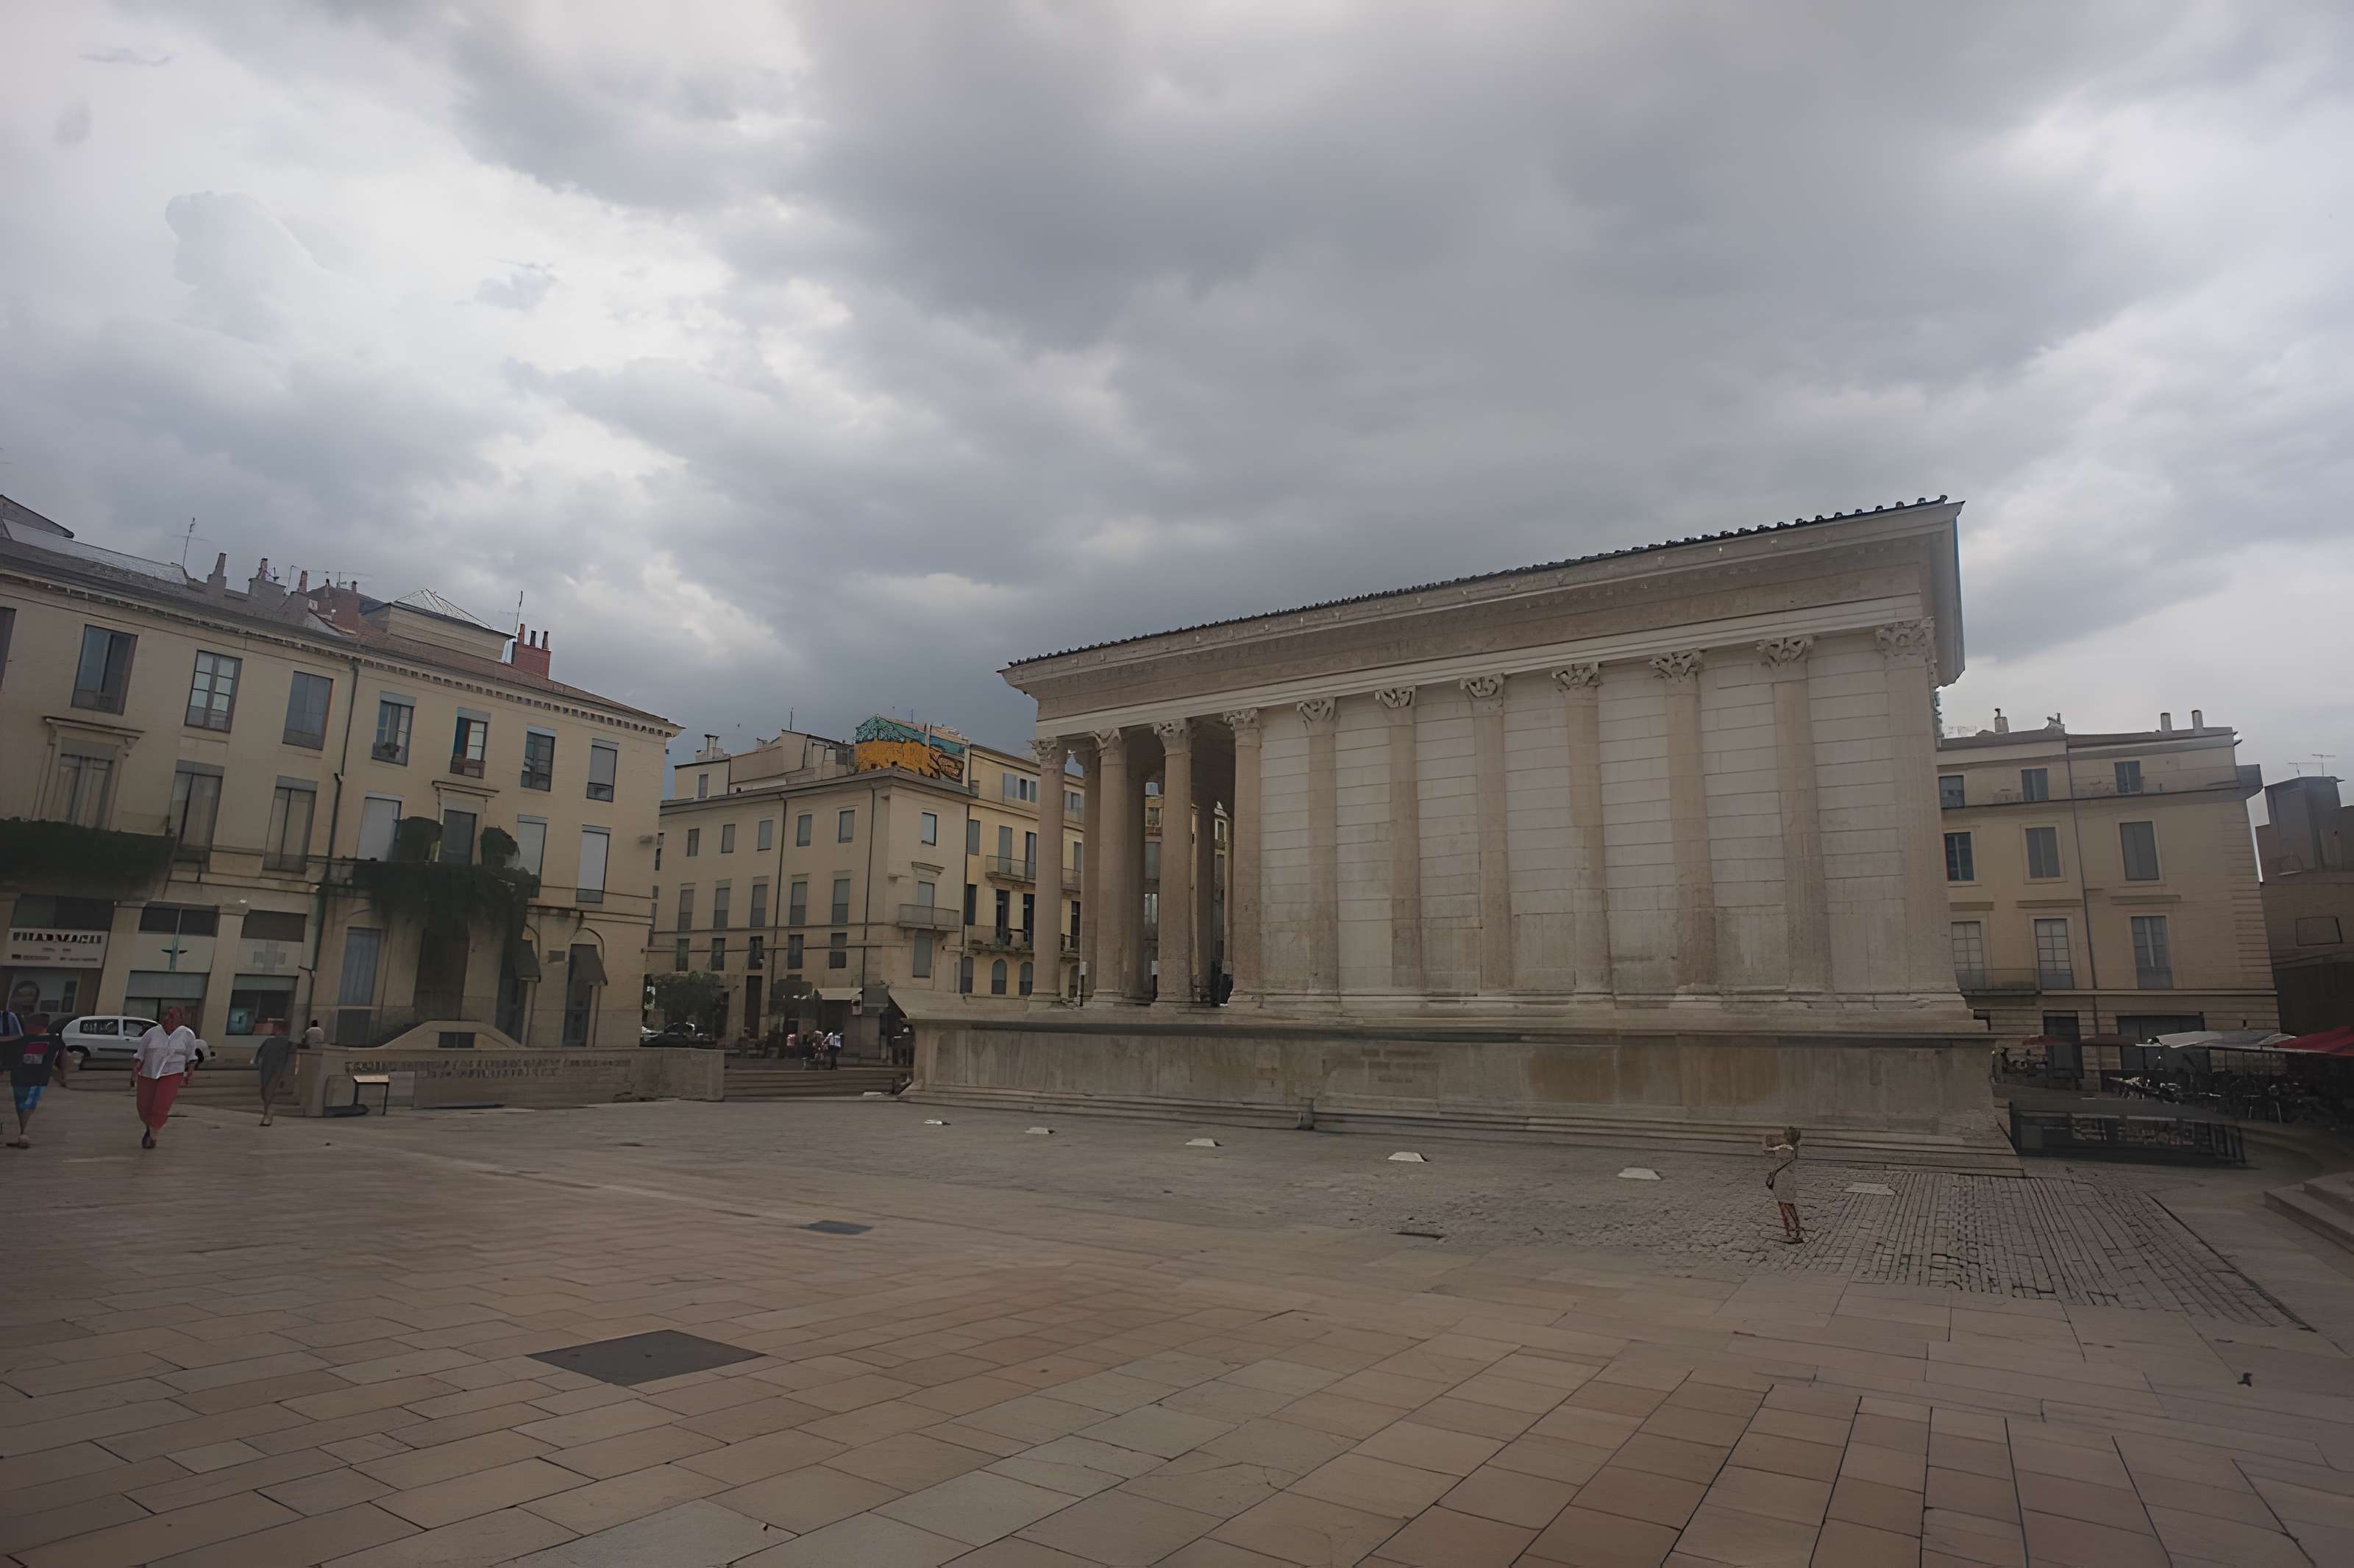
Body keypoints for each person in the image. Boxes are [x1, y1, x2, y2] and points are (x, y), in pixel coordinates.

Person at [132, 1007, 201, 1150]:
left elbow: (191, 1057)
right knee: (144, 1106)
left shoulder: (187, 1034)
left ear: (180, 1020)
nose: (168, 1020)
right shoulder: (152, 1033)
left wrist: (190, 1073)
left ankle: (153, 1134)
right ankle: (150, 1127)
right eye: (166, 1016)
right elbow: (140, 1055)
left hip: (173, 1072)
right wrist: (135, 1072)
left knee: (161, 1104)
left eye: (172, 1017)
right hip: (148, 1073)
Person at [8, 1011, 64, 1148]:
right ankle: (22, 1133)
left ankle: (24, 1134)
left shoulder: (54, 1040)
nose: (27, 1028)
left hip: (38, 1079)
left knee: (28, 1105)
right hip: (19, 1078)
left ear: (38, 1026)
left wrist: (62, 1074)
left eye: (30, 1025)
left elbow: (62, 1058)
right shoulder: (24, 1039)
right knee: (20, 1105)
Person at [1763, 1126, 1804, 1244]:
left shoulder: (1784, 1149)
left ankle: (1793, 1233)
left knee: (1786, 1206)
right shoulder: (1794, 1147)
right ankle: (1793, 1231)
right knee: (1788, 1205)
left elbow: (1767, 1149)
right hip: (1787, 1180)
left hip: (1783, 1181)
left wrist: (1765, 1138)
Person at [253, 1018, 295, 1127]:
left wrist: (287, 1073)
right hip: (267, 1069)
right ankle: (267, 1113)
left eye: (275, 1027)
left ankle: (268, 1114)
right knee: (265, 1091)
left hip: (277, 1069)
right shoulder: (270, 1041)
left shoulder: (288, 1043)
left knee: (269, 1091)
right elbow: (259, 1055)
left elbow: (291, 1058)